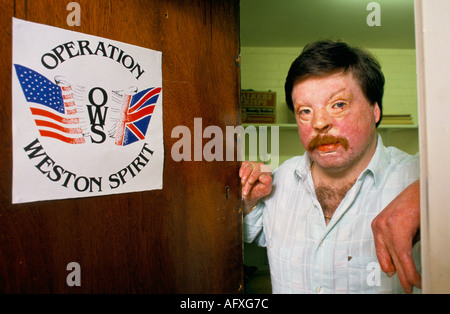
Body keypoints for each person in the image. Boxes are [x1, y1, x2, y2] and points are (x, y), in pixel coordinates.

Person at [240, 40, 421, 293]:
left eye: (338, 105)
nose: (320, 123)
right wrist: (248, 202)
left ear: (375, 110)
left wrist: (427, 192)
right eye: (305, 111)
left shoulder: (418, 179)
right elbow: (253, 232)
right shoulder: (279, 179)